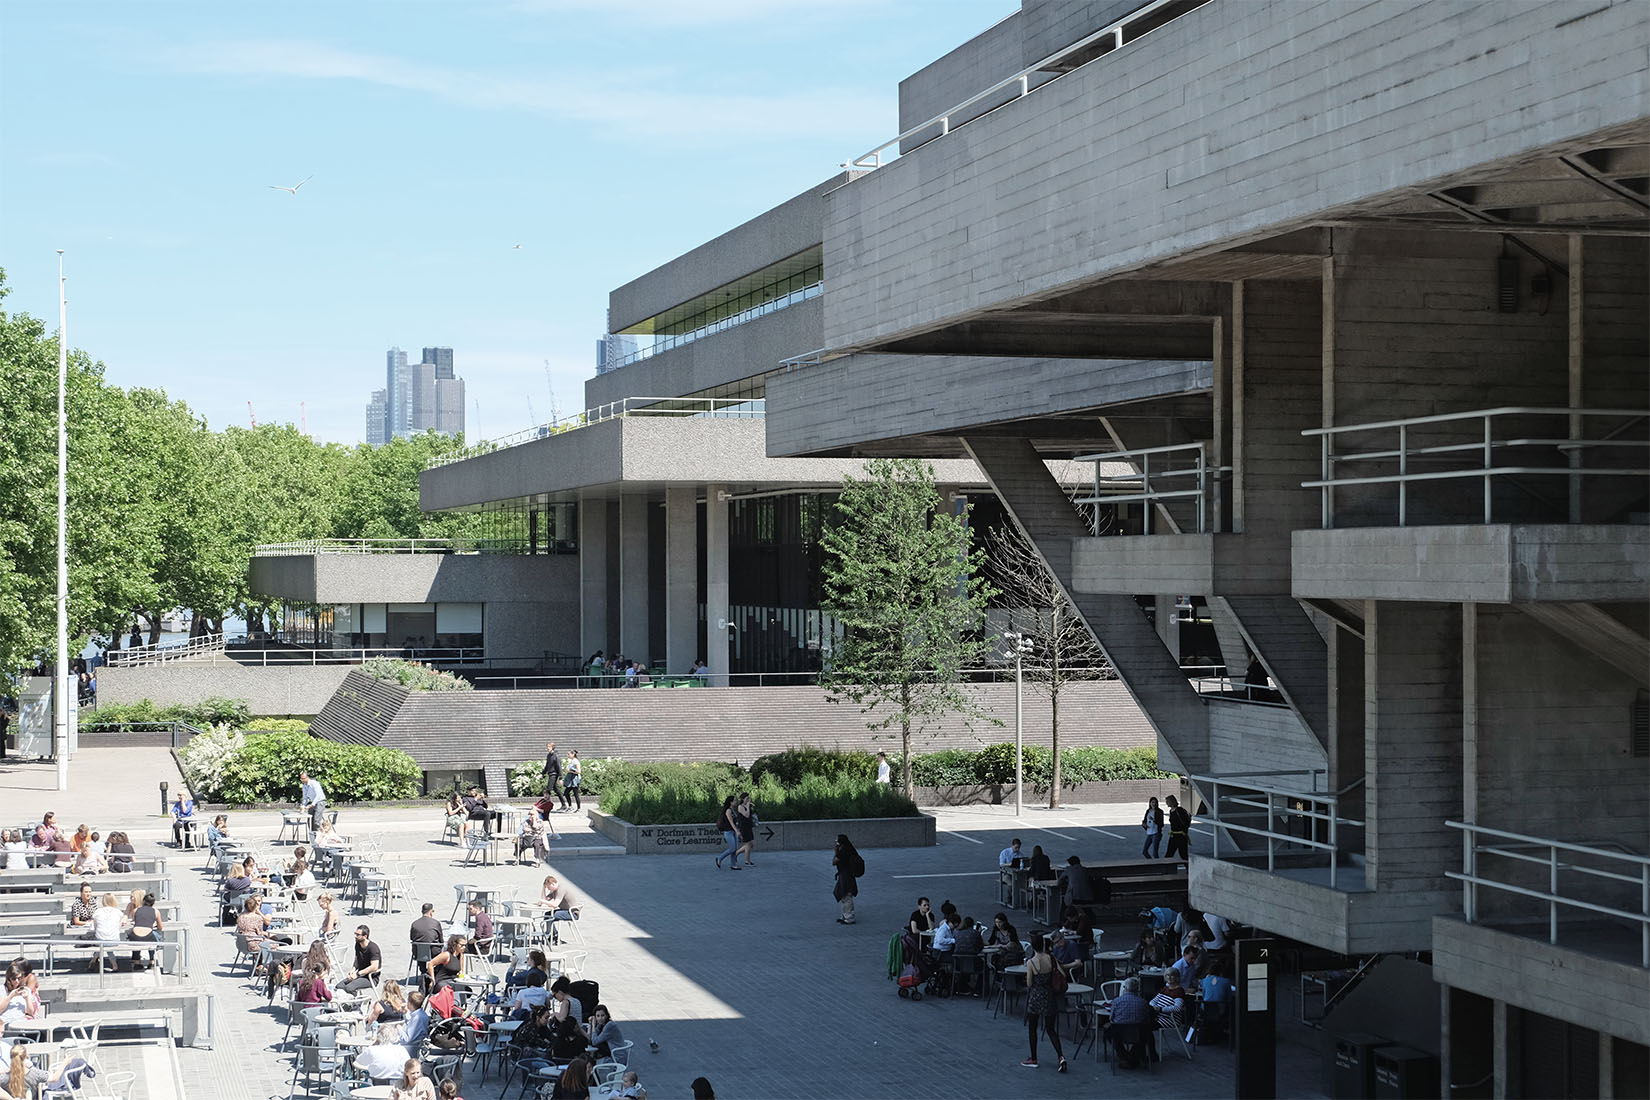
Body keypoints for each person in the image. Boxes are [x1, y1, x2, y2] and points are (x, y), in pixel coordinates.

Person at [1021, 932, 1067, 1072]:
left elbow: (1029, 983)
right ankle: (1061, 1056)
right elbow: (1062, 974)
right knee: (1051, 1029)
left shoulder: (1031, 962)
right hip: (1049, 996)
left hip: (1035, 997)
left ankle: (1033, 1058)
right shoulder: (1051, 958)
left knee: (1032, 1028)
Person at [90, 892, 126, 971]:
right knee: (108, 947)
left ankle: (94, 959)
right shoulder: (118, 912)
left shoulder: (97, 912)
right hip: (114, 939)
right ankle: (114, 965)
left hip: (100, 939)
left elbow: (93, 928)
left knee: (100, 943)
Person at [127, 891, 162, 969]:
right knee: (155, 937)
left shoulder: (136, 910)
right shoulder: (156, 911)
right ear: (153, 903)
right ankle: (151, 961)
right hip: (148, 936)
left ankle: (137, 962)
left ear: (143, 901)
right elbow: (160, 927)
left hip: (135, 936)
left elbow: (136, 921)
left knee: (135, 941)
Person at [343, 925, 383, 992]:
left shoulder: (373, 948)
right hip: (360, 976)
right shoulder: (358, 944)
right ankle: (354, 998)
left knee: (348, 988)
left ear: (365, 936)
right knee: (340, 986)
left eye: (358, 935)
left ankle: (357, 1001)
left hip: (370, 978)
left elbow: (374, 966)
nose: (355, 936)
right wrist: (352, 970)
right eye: (355, 934)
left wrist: (358, 974)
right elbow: (357, 959)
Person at [832, 834, 861, 924]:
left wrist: (836, 850)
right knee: (844, 895)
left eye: (837, 841)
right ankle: (845, 915)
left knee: (846, 895)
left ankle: (849, 917)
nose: (836, 843)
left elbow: (834, 861)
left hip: (845, 876)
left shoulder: (843, 851)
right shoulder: (849, 849)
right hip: (847, 875)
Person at [541, 875, 577, 942]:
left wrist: (543, 902)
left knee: (550, 916)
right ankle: (554, 935)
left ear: (553, 884)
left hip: (572, 913)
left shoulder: (561, 889)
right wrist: (543, 888)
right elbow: (545, 899)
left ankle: (549, 935)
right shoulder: (554, 890)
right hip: (565, 911)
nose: (548, 889)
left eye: (549, 887)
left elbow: (555, 904)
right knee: (547, 914)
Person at [713, 796, 741, 870]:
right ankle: (719, 858)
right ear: (730, 802)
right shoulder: (728, 810)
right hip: (728, 831)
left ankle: (733, 865)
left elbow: (735, 822)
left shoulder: (733, 810)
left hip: (733, 831)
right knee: (732, 848)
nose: (736, 802)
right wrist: (737, 831)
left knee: (735, 849)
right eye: (734, 800)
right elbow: (731, 822)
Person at [733, 793, 757, 867]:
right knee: (748, 844)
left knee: (750, 845)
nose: (748, 800)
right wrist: (747, 806)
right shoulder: (740, 807)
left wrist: (750, 807)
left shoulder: (748, 806)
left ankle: (736, 853)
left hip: (748, 826)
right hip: (744, 827)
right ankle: (747, 862)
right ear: (743, 799)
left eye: (748, 798)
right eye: (747, 798)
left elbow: (750, 814)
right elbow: (746, 815)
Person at [1164, 793, 1191, 860]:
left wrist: (1184, 832)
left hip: (1180, 836)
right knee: (1169, 854)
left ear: (1171, 802)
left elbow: (1184, 822)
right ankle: (1167, 869)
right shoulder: (1171, 811)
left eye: (1167, 801)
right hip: (1173, 835)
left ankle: (1188, 869)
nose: (1166, 803)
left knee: (1183, 855)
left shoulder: (1179, 810)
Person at [299, 770, 326, 834]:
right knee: (310, 820)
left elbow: (318, 795)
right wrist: (303, 805)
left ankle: (319, 837)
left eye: (304, 779)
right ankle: (312, 836)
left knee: (316, 821)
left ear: (307, 777)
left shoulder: (314, 783)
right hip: (312, 802)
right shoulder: (304, 786)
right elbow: (305, 797)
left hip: (320, 801)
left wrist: (312, 804)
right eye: (301, 779)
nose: (303, 780)